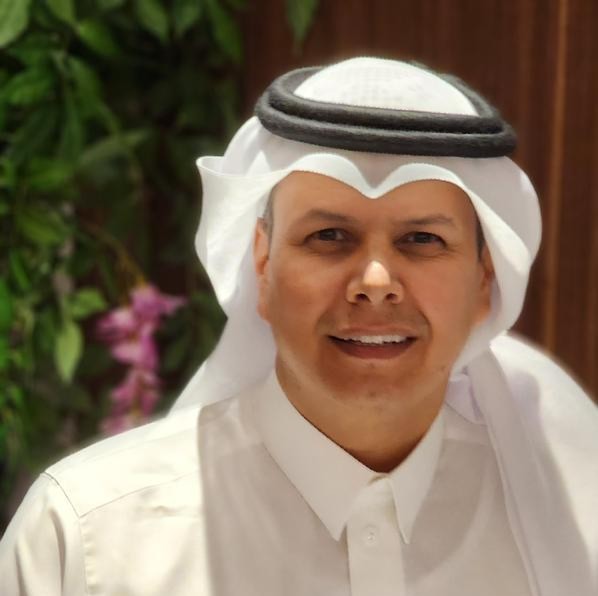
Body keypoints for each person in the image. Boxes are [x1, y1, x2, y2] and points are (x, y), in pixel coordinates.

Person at [1, 57, 597, 596]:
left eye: (422, 239)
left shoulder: (568, 525)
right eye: (329, 236)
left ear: (485, 280)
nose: (375, 280)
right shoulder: (86, 538)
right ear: (261, 265)